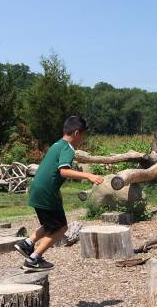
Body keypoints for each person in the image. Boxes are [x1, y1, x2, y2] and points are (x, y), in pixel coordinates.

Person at [14, 116, 104, 270]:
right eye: (83, 136)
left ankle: (27, 243)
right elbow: (63, 171)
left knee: (50, 225)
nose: (82, 140)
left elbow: (50, 172)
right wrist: (89, 175)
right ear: (76, 133)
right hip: (46, 192)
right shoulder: (68, 148)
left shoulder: (57, 144)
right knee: (61, 228)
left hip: (38, 190)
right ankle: (34, 259)